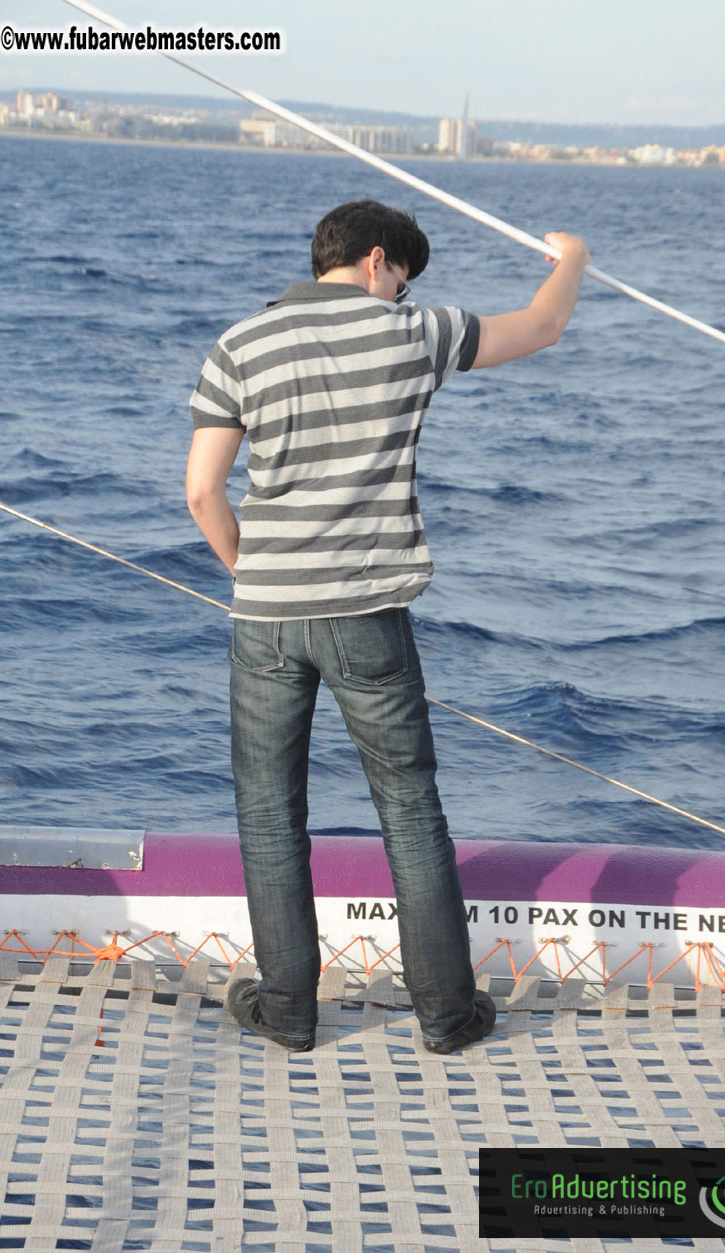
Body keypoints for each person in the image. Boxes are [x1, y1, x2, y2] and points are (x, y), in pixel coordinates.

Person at [186, 199, 589, 1053]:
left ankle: (288, 1009)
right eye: (403, 277)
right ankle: (447, 1016)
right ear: (378, 261)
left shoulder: (239, 344)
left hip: (264, 615)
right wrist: (573, 255)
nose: (403, 292)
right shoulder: (413, 333)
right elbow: (543, 326)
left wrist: (253, 574)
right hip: (369, 612)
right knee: (410, 810)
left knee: (267, 816)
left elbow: (201, 491)